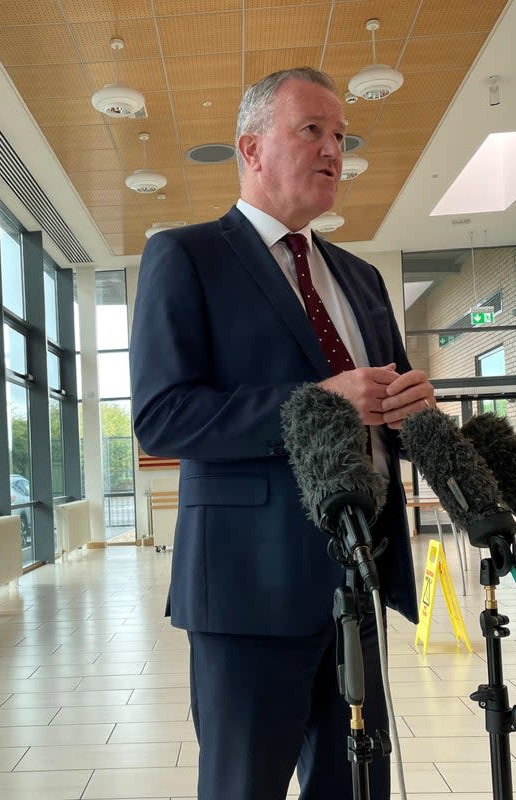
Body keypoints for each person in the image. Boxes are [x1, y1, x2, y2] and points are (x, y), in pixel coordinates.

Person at [130, 67, 436, 800]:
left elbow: (378, 411)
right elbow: (163, 416)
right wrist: (318, 402)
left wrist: (408, 407)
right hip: (248, 592)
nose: (336, 149)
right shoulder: (187, 256)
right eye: (313, 131)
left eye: (341, 136)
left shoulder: (360, 278)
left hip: (358, 577)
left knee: (358, 787)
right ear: (251, 147)